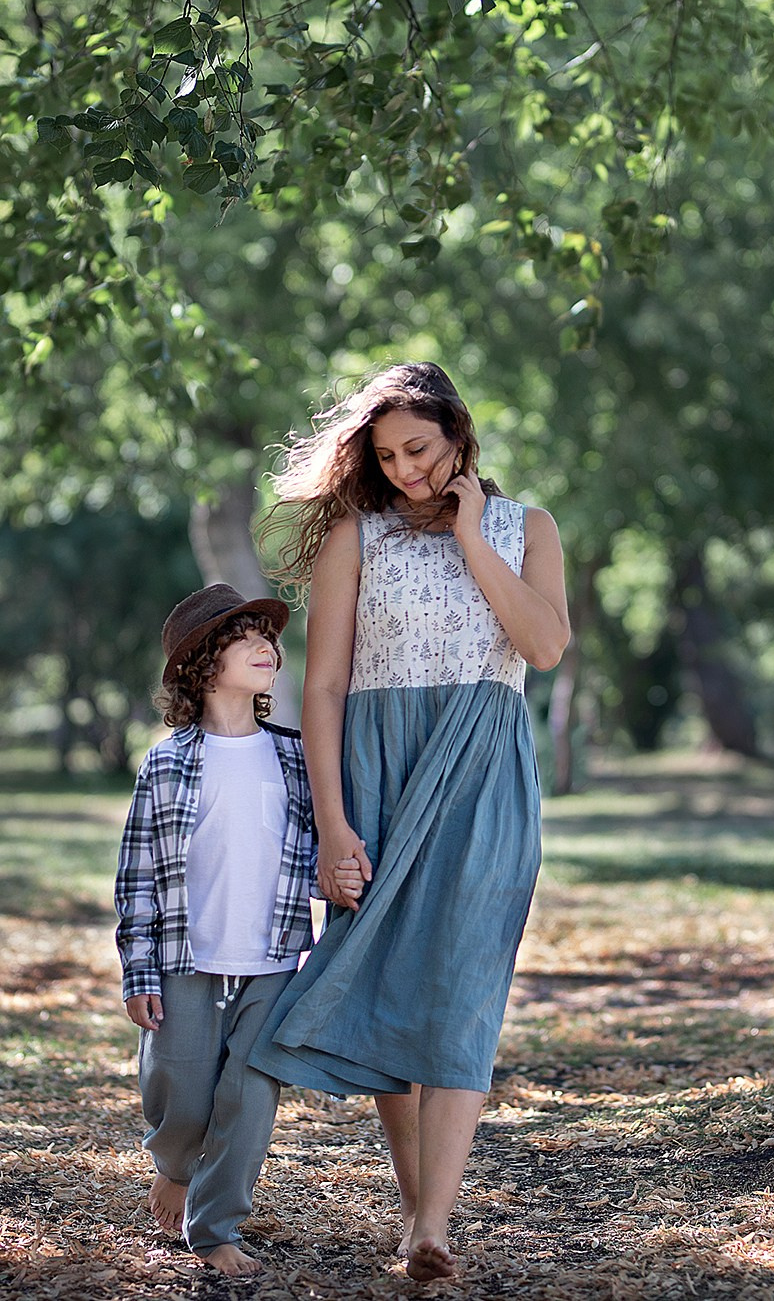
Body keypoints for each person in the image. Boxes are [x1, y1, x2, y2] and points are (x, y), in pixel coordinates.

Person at [248, 362, 570, 1281]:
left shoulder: (527, 529)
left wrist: (473, 536)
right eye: (386, 455)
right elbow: (322, 687)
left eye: (418, 449)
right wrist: (334, 827)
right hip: (376, 769)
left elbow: (543, 646)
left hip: (484, 770)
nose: (404, 470)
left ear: (459, 437)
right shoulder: (355, 537)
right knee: (384, 983)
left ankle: (433, 1227)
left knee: (462, 990)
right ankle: (411, 1208)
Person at [113, 583, 319, 1277]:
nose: (267, 647)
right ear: (203, 662)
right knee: (180, 1084)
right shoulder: (167, 763)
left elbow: (320, 850)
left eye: (269, 637)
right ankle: (173, 1165)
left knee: (250, 1095)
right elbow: (137, 875)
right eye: (245, 638)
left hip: (271, 958)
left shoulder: (296, 757)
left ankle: (216, 1226)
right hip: (184, 958)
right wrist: (139, 970)